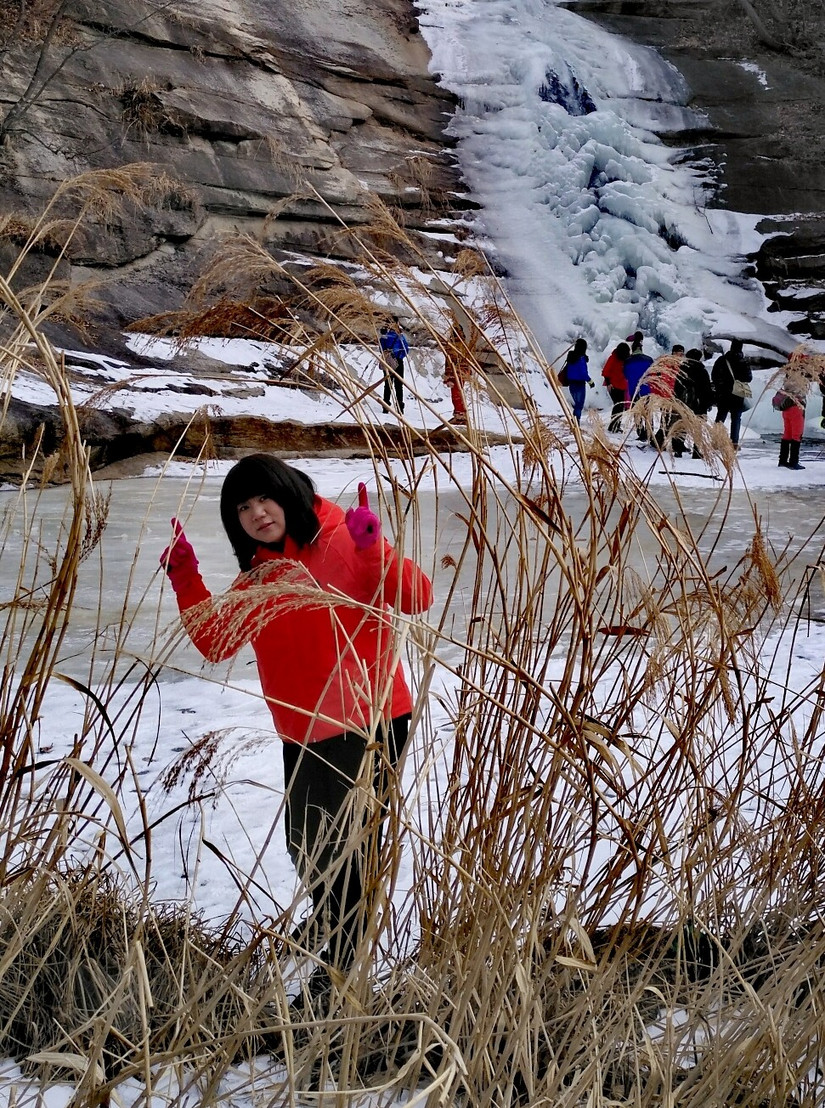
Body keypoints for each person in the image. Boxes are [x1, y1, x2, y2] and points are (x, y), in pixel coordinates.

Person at [159, 455, 433, 1000]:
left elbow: (416, 597)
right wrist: (187, 577)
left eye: (265, 498)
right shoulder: (260, 574)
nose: (257, 513)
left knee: (344, 849)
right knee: (307, 842)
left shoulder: (341, 538)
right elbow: (216, 641)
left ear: (289, 492)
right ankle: (330, 919)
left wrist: (373, 546)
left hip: (368, 718)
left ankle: (340, 968)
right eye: (242, 507)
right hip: (303, 730)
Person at [674, 348, 714, 458]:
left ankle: (678, 448)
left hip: (685, 402)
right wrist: (708, 403)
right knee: (698, 427)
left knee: (682, 424)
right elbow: (706, 389)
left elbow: (677, 387)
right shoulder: (702, 371)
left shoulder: (682, 370)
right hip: (699, 404)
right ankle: (696, 450)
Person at [712, 339, 752, 448]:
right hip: (737, 394)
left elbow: (714, 375)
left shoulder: (722, 360)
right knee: (736, 418)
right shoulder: (743, 361)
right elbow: (749, 378)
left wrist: (720, 386)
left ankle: (715, 440)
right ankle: (734, 442)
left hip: (723, 394)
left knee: (720, 417)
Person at [776, 371, 809, 470]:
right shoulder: (799, 377)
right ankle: (794, 461)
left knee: (787, 434)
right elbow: (803, 391)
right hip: (796, 408)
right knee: (797, 435)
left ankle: (782, 460)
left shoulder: (788, 375)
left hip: (786, 409)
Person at [623, 342, 654, 442]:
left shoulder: (627, 361)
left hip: (634, 390)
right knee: (648, 411)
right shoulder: (649, 359)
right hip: (647, 389)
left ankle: (641, 433)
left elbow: (625, 375)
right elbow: (654, 374)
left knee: (637, 412)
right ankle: (650, 431)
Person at [379, 322, 410, 414]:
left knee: (387, 384)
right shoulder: (400, 337)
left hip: (388, 361)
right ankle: (400, 407)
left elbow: (381, 348)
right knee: (399, 385)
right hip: (398, 362)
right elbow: (406, 350)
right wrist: (399, 357)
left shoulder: (384, 336)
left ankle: (385, 406)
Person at [563, 338, 594, 424]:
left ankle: (575, 419)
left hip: (571, 382)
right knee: (579, 404)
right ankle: (576, 421)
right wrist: (590, 381)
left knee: (576, 402)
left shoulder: (571, 357)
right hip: (580, 383)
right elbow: (583, 373)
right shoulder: (581, 359)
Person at [601, 342, 629, 432]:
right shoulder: (613, 358)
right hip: (613, 386)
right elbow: (605, 371)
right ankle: (613, 426)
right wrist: (609, 383)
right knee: (618, 406)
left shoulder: (625, 359)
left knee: (620, 406)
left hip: (622, 386)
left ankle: (616, 425)